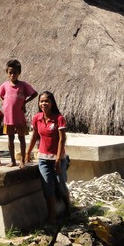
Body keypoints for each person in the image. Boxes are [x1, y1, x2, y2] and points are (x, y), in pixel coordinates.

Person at [25, 91, 70, 224]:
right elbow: (34, 136)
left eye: (46, 101)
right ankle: (52, 215)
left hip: (58, 158)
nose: (43, 103)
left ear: (52, 103)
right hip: (43, 158)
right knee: (47, 187)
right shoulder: (37, 118)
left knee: (60, 184)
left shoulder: (59, 118)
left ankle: (68, 207)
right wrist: (27, 153)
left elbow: (62, 139)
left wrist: (57, 159)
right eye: (41, 101)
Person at [0, 59, 37, 167]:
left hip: (19, 117)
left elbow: (34, 93)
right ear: (7, 73)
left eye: (15, 72)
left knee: (21, 138)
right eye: (10, 72)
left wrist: (25, 102)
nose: (12, 75)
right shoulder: (5, 85)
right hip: (8, 117)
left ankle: (22, 160)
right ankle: (12, 160)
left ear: (19, 73)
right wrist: (3, 102)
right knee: (10, 138)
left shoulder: (23, 85)